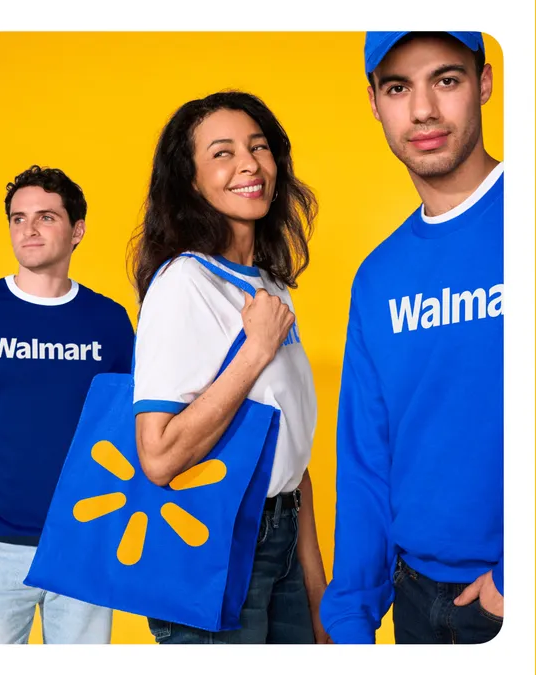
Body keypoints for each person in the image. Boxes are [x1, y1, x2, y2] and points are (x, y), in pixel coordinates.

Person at [320, 31, 504, 645]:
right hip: (413, 601)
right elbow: (366, 455)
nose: (423, 109)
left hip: (512, 600)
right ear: (375, 102)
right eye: (399, 87)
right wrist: (349, 614)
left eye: (445, 80)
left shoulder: (535, 215)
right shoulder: (379, 276)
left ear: (483, 83)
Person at [128, 90, 324, 644]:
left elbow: (292, 455)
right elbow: (159, 456)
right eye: (222, 152)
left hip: (281, 537)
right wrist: (255, 350)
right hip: (213, 539)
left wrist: (316, 588)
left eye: (258, 147)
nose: (249, 164)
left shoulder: (271, 287)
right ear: (190, 181)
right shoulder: (183, 284)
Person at [0, 165, 134, 643]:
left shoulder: (108, 320)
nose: (29, 229)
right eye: (18, 219)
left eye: (45, 217)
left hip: (82, 542)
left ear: (77, 230)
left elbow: (130, 420)